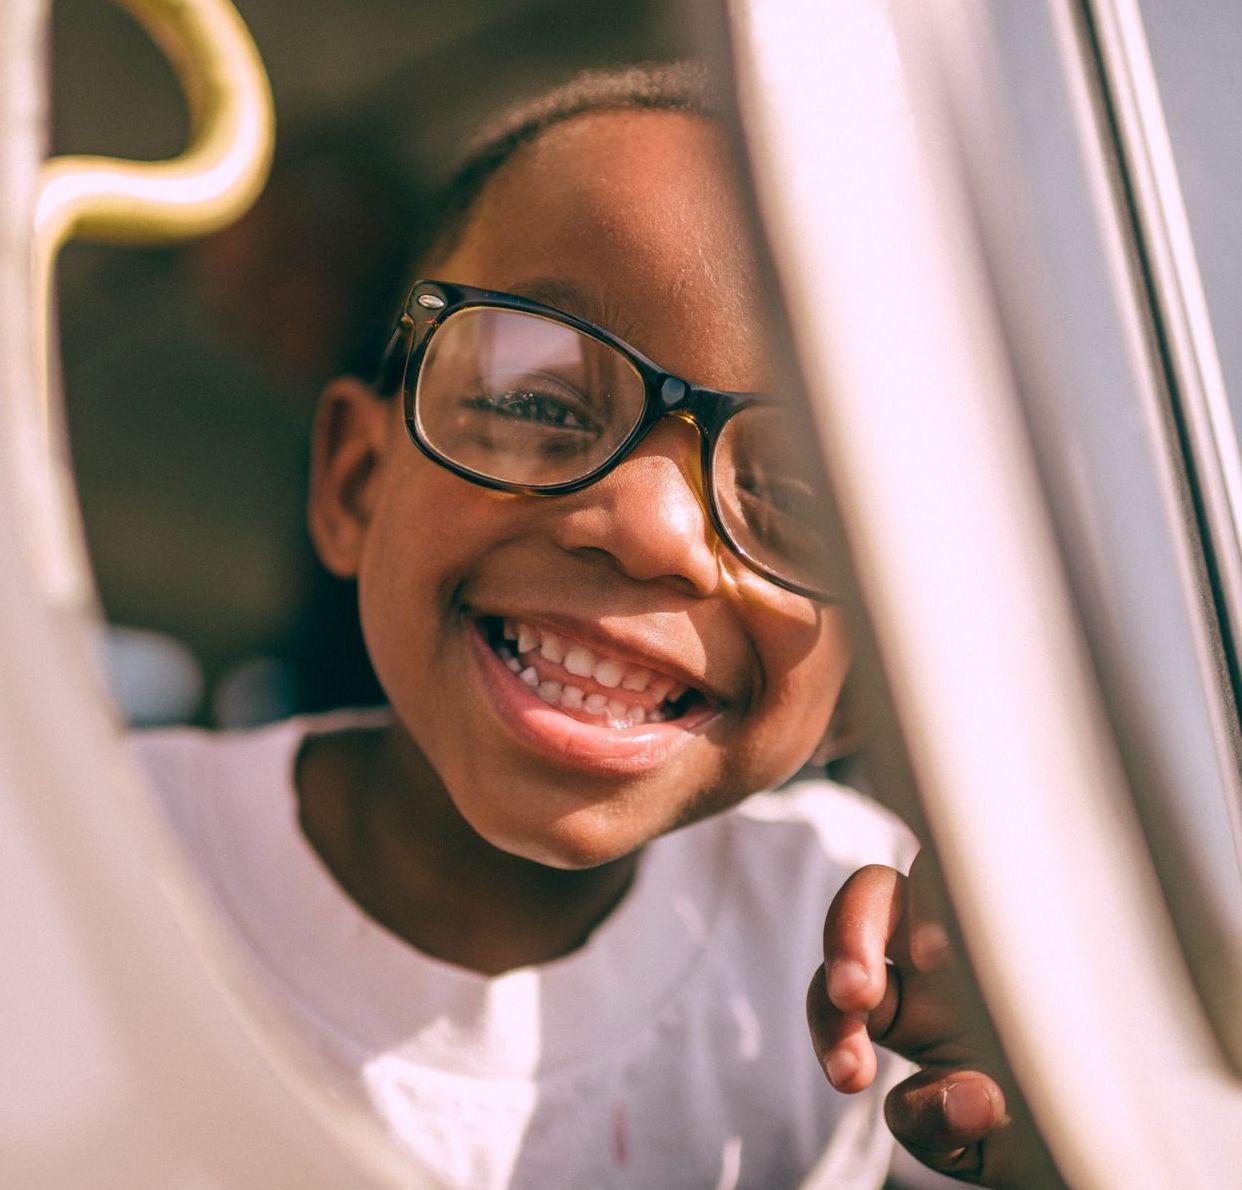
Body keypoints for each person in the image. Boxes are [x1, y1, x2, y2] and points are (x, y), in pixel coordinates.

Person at [136, 63, 1015, 1188]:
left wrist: (1062, 1122)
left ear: (869, 680)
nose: (649, 528)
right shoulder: (89, 848)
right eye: (540, 401)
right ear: (357, 483)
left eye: (798, 499)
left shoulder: (866, 950)